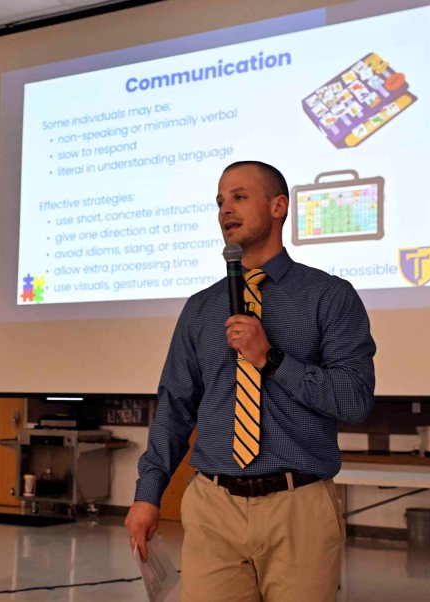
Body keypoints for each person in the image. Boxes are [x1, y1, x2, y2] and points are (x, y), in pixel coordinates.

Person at [125, 161, 376, 601]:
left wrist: (271, 358)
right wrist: (148, 494)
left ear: (279, 206)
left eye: (239, 197)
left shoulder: (329, 297)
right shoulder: (200, 309)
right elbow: (175, 407)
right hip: (212, 505)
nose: (226, 210)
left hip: (299, 506)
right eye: (220, 201)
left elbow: (354, 400)